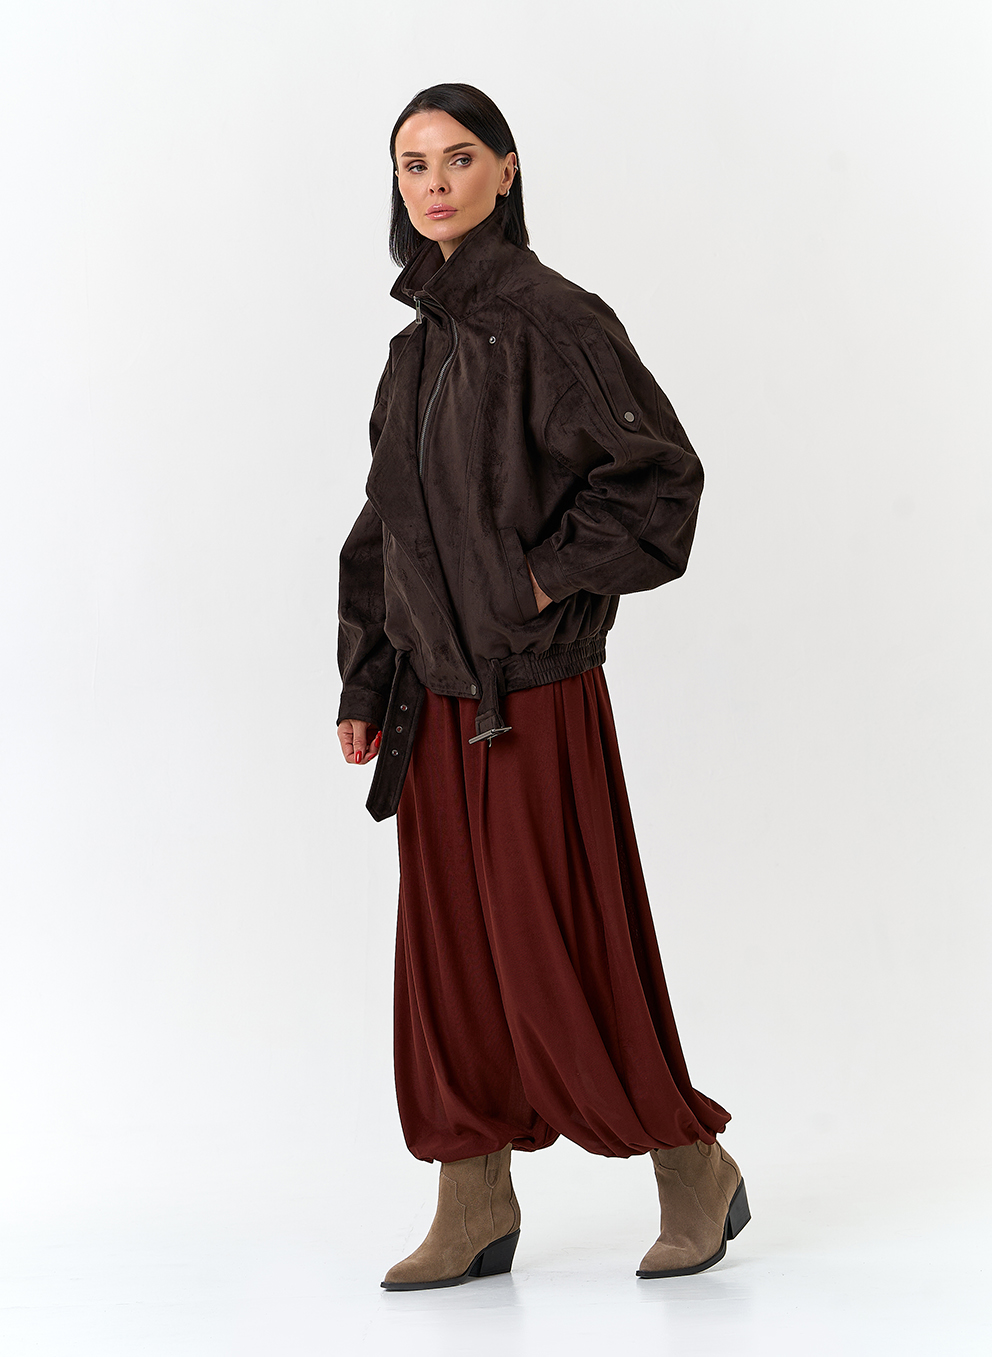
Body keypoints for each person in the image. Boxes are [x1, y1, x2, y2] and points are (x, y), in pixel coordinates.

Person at [336, 83, 749, 1292]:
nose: (433, 183)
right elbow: (385, 529)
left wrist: (535, 581)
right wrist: (366, 673)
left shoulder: (552, 320)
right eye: (412, 163)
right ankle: (471, 1197)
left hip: (533, 695)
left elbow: (659, 483)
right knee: (452, 966)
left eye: (458, 158)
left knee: (562, 952)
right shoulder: (413, 351)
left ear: (505, 171)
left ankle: (690, 1164)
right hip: (432, 703)